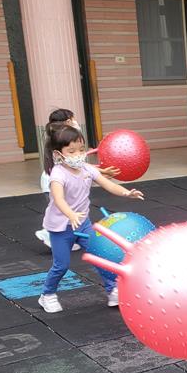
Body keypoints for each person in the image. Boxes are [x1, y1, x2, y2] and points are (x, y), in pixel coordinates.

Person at [37, 125, 144, 314]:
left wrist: (127, 193)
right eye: (71, 151)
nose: (78, 155)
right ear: (58, 154)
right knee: (61, 265)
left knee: (101, 256)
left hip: (83, 224)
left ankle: (113, 290)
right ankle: (47, 295)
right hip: (61, 228)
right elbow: (58, 199)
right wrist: (70, 214)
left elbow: (108, 184)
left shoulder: (86, 169)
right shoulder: (58, 174)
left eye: (81, 150)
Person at [35, 109, 120, 249]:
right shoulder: (60, 143)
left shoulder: (70, 139)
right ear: (68, 121)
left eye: (81, 149)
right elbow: (71, 165)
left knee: (70, 209)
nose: (76, 122)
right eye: (73, 119)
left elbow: (81, 165)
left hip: (65, 182)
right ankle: (53, 235)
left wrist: (100, 171)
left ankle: (67, 234)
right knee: (60, 210)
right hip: (55, 183)